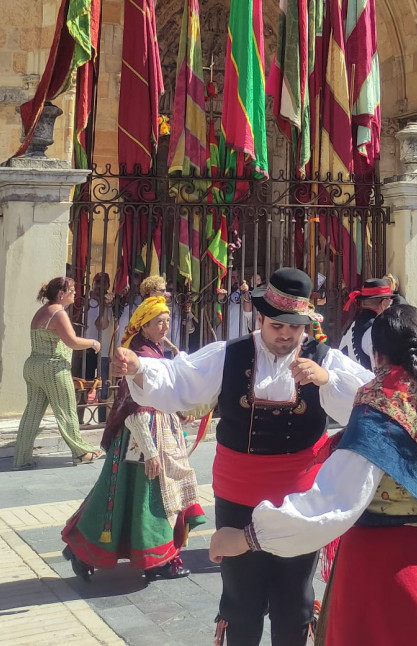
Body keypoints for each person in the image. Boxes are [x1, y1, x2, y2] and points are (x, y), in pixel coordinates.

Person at [208, 303, 417, 646]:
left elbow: (334, 503)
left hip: (385, 570)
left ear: (376, 354)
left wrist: (246, 538)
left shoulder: (380, 404)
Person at [110, 267, 372, 646]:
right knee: (241, 597)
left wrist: (326, 381)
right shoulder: (229, 355)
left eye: (294, 328)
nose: (285, 335)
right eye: (278, 325)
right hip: (237, 497)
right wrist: (138, 368)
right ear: (260, 318)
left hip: (300, 500)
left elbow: (371, 402)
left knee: (295, 598)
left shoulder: (324, 360)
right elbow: (180, 379)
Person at [62, 295, 205, 581]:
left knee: (142, 497)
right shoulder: (137, 355)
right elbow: (134, 407)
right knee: (146, 497)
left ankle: (149, 558)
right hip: (141, 439)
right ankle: (154, 560)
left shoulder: (154, 351)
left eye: (167, 321)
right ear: (143, 325)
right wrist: (150, 451)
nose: (165, 327)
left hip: (160, 431)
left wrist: (178, 414)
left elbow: (163, 394)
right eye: (158, 322)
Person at [12, 277, 103, 469]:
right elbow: (72, 342)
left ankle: (21, 458)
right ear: (61, 294)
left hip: (33, 366)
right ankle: (81, 452)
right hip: (53, 367)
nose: (75, 293)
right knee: (67, 410)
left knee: (32, 413)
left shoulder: (42, 311)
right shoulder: (58, 313)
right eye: (72, 290)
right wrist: (93, 343)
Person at [340, 276, 397, 370]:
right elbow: (380, 373)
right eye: (390, 301)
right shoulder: (375, 332)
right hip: (363, 383)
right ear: (384, 304)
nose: (390, 305)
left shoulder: (352, 324)